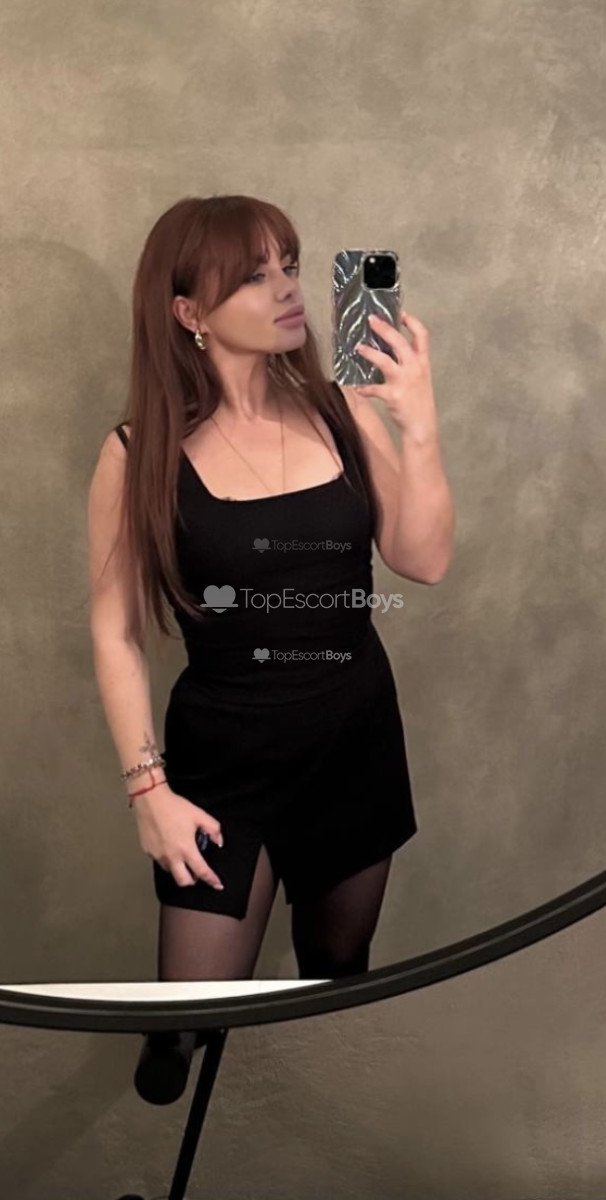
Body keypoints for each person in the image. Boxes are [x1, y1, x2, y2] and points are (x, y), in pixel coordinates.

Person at [87, 193, 443, 983]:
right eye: (254, 276)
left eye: (290, 265)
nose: (287, 289)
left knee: (337, 966)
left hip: (354, 741)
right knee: (190, 1012)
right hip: (227, 760)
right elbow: (116, 632)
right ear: (189, 313)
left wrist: (417, 424)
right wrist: (148, 790)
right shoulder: (137, 453)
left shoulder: (338, 408)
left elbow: (422, 559)